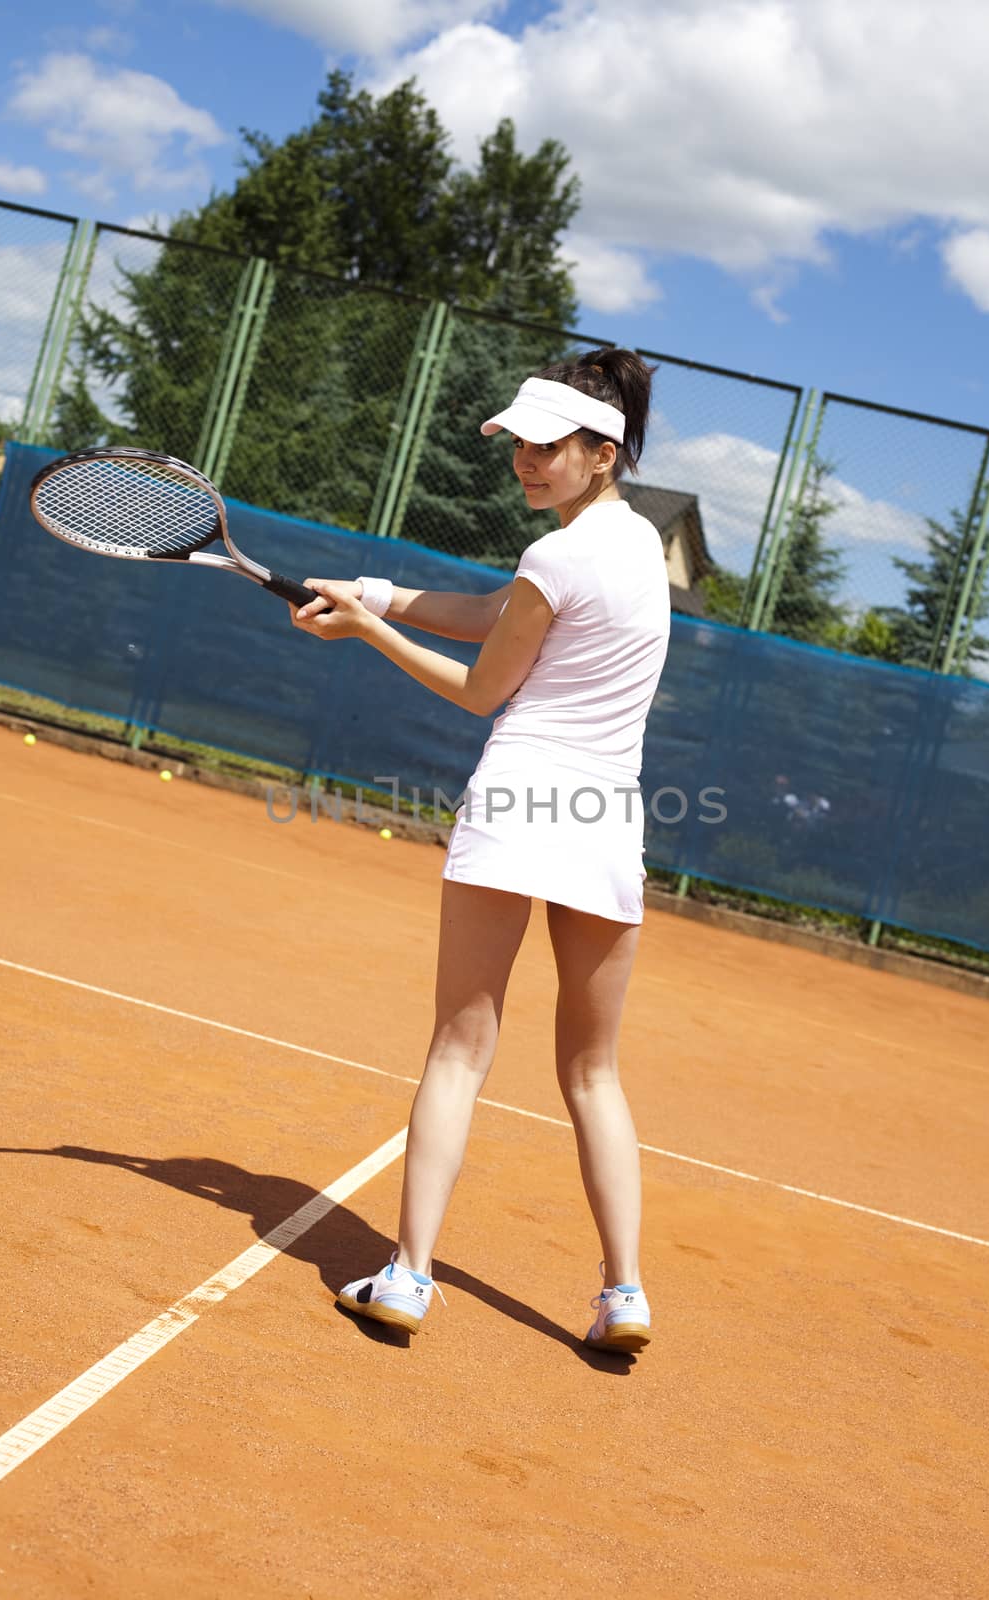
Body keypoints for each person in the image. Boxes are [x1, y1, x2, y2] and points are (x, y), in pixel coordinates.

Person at [290, 348, 670, 1353]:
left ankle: (408, 1276)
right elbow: (497, 615)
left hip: (516, 806)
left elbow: (479, 688)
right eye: (520, 445)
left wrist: (366, 628)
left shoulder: (555, 557)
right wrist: (372, 588)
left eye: (550, 446)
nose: (527, 462)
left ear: (602, 449)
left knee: (459, 1048)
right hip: (604, 825)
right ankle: (623, 1292)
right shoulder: (635, 543)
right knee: (593, 1071)